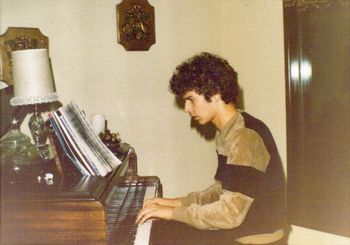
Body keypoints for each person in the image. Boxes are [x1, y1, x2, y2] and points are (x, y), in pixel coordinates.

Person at [136, 52, 289, 245]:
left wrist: (171, 213)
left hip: (257, 239)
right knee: (163, 230)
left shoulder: (244, 137)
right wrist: (175, 203)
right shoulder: (228, 131)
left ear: (215, 93)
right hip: (242, 231)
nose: (187, 108)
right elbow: (222, 191)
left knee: (162, 235)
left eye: (191, 99)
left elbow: (230, 214)